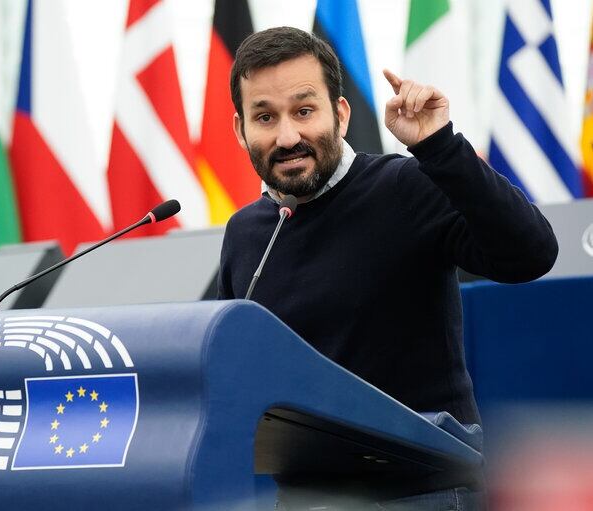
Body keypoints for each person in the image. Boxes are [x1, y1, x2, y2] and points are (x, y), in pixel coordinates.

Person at [217, 26, 558, 510]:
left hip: (422, 492)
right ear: (240, 130)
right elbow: (230, 376)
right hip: (305, 498)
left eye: (304, 111)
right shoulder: (245, 232)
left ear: (340, 114)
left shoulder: (405, 186)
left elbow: (531, 254)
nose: (287, 136)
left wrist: (440, 147)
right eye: (265, 117)